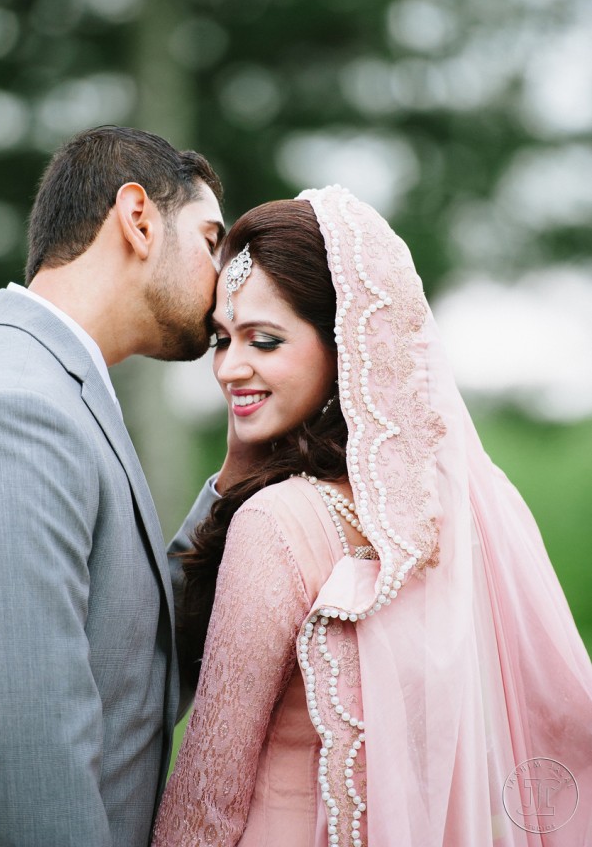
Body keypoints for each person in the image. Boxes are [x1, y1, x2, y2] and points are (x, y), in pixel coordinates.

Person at [153, 185, 592, 847]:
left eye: (263, 340)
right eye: (222, 339)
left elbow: (209, 793)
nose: (229, 368)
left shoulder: (277, 522)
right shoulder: (454, 520)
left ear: (345, 344)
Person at [0, 125, 225, 847]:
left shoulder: (49, 386)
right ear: (138, 218)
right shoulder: (13, 412)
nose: (224, 287)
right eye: (211, 241)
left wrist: (238, 481)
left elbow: (124, 664)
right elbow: (34, 766)